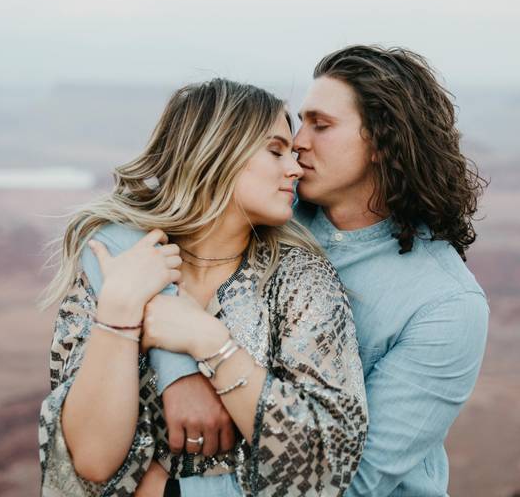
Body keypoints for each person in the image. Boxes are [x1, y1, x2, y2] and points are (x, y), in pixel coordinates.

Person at [152, 46, 489, 496]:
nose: (298, 142)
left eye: (321, 125)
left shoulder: (445, 305)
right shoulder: (275, 209)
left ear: (383, 142)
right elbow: (125, 230)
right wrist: (178, 373)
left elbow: (351, 485)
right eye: (300, 123)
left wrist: (168, 488)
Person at [37, 78, 367, 497]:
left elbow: (326, 463)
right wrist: (120, 313)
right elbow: (91, 461)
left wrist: (212, 345)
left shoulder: (301, 281)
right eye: (274, 150)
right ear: (216, 153)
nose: (295, 168)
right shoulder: (120, 268)